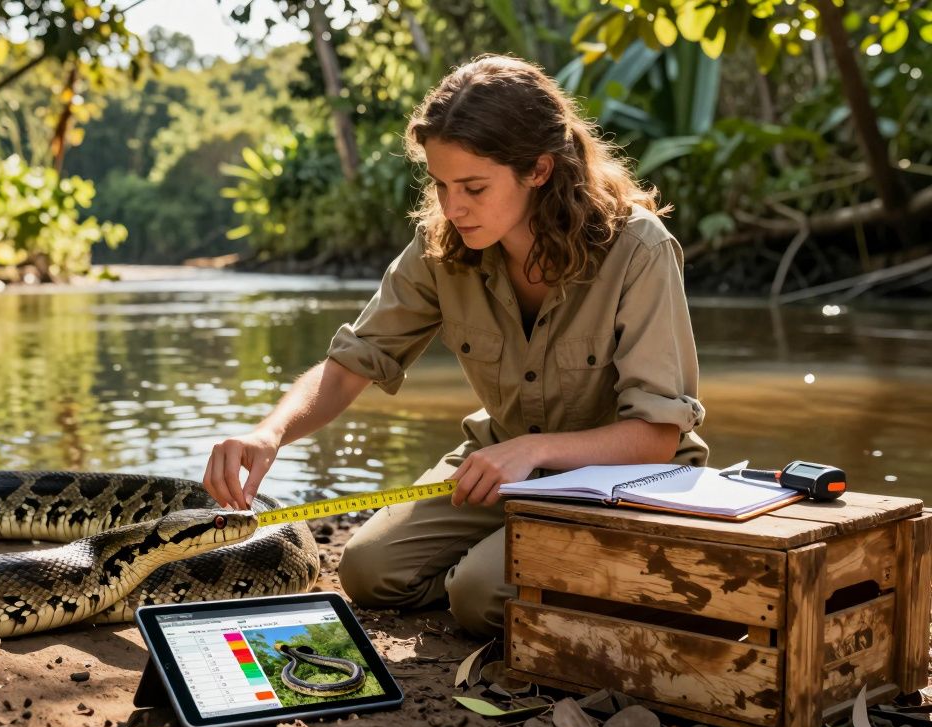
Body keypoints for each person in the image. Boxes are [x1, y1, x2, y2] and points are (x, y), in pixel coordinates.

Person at [201, 54, 708, 638]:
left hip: (628, 481)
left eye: (473, 187)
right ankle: (536, 573)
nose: (452, 206)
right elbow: (351, 364)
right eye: (441, 185)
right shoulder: (442, 245)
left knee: (479, 595)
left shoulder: (638, 248)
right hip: (501, 466)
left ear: (539, 170)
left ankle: (580, 574)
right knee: (369, 572)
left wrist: (533, 451)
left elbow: (656, 437)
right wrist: (270, 432)